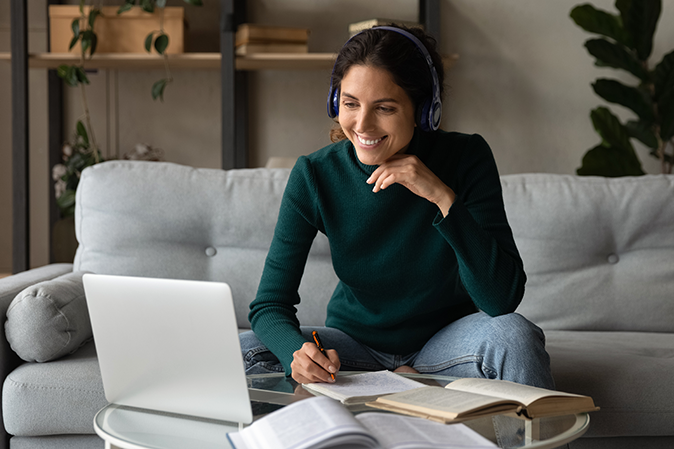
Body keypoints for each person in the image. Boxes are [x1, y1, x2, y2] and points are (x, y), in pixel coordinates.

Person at [240, 24, 555, 390]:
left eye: (384, 108)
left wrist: (441, 196)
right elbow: (269, 305)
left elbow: (501, 299)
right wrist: (297, 352)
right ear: (333, 101)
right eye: (349, 103)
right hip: (354, 348)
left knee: (515, 337)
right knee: (245, 350)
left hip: (445, 344)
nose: (362, 124)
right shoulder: (315, 174)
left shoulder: (466, 157)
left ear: (424, 111)